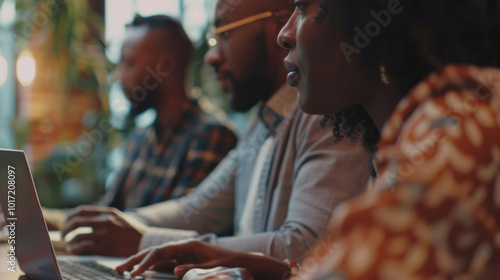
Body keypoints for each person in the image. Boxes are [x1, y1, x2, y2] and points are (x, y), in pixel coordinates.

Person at [115, 0, 500, 279]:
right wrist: (283, 273)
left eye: (302, 6)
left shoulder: (455, 129)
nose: (286, 34)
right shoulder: (416, 132)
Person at [60, 0, 376, 261]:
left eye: (223, 34)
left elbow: (306, 247)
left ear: (276, 23)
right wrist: (103, 227)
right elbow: (197, 209)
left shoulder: (329, 115)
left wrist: (144, 240)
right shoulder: (264, 122)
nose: (211, 56)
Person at [42, 15, 238, 229]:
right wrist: (45, 219)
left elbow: (181, 230)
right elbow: (108, 213)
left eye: (128, 63)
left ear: (164, 65)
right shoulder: (142, 136)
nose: (118, 77)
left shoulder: (212, 135)